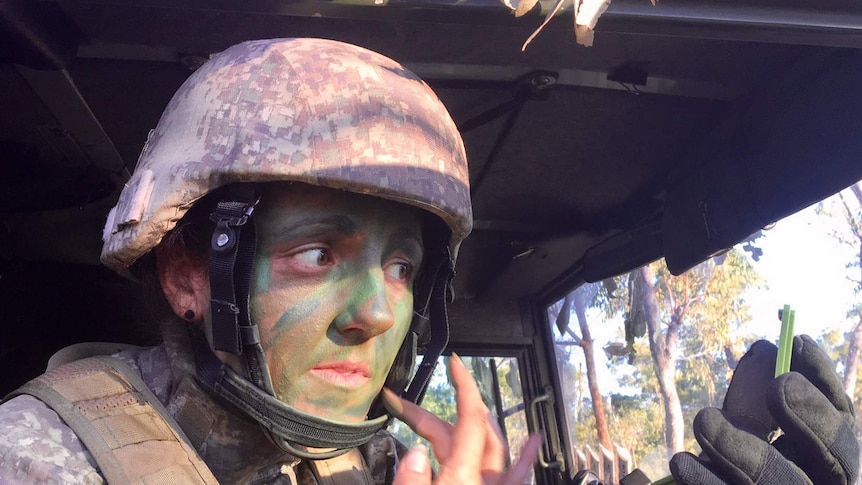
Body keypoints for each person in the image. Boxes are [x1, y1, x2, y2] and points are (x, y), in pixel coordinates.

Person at [0, 37, 855, 485]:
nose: (373, 310)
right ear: (188, 274)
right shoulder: (35, 457)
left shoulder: (347, 462)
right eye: (315, 251)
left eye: (402, 267)